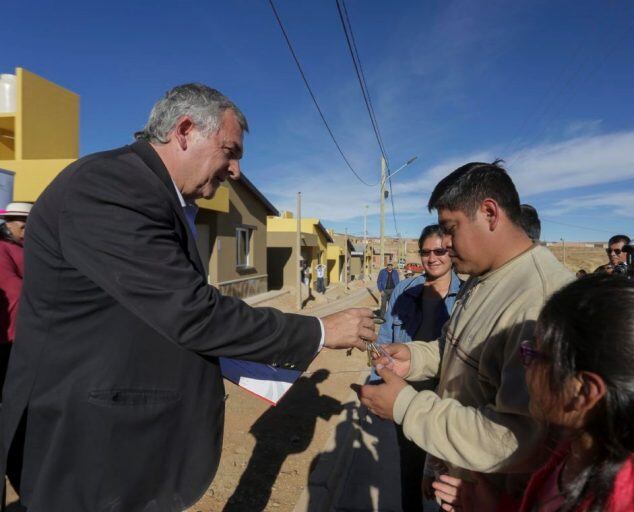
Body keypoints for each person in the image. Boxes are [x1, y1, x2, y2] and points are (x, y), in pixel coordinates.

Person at [0, 83, 374, 511]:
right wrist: (320, 330)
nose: (234, 171)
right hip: (90, 448)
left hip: (121, 443)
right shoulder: (111, 186)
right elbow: (192, 311)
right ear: (184, 130)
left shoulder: (154, 196)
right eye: (230, 151)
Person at [432, 275, 634, 512]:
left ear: (583, 392)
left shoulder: (632, 502)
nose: (521, 359)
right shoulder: (579, 446)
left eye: (535, 354)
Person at [358, 161, 573, 499]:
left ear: (489, 213)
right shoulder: (483, 277)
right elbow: (454, 350)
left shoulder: (541, 301)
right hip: (460, 481)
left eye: (451, 228)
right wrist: (413, 358)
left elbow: (519, 438)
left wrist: (406, 408)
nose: (445, 243)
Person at [372, 224, 462, 511]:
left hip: (447, 392)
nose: (432, 258)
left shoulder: (467, 295)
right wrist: (380, 381)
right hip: (407, 388)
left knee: (446, 473)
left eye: (439, 251)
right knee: (410, 468)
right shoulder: (404, 289)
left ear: (450, 253)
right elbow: (386, 337)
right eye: (425, 252)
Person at [0, 202, 32, 395]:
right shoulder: (2, 248)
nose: (27, 225)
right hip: (11, 328)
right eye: (23, 220)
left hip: (21, 326)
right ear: (8, 223)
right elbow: (12, 287)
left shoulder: (23, 247)